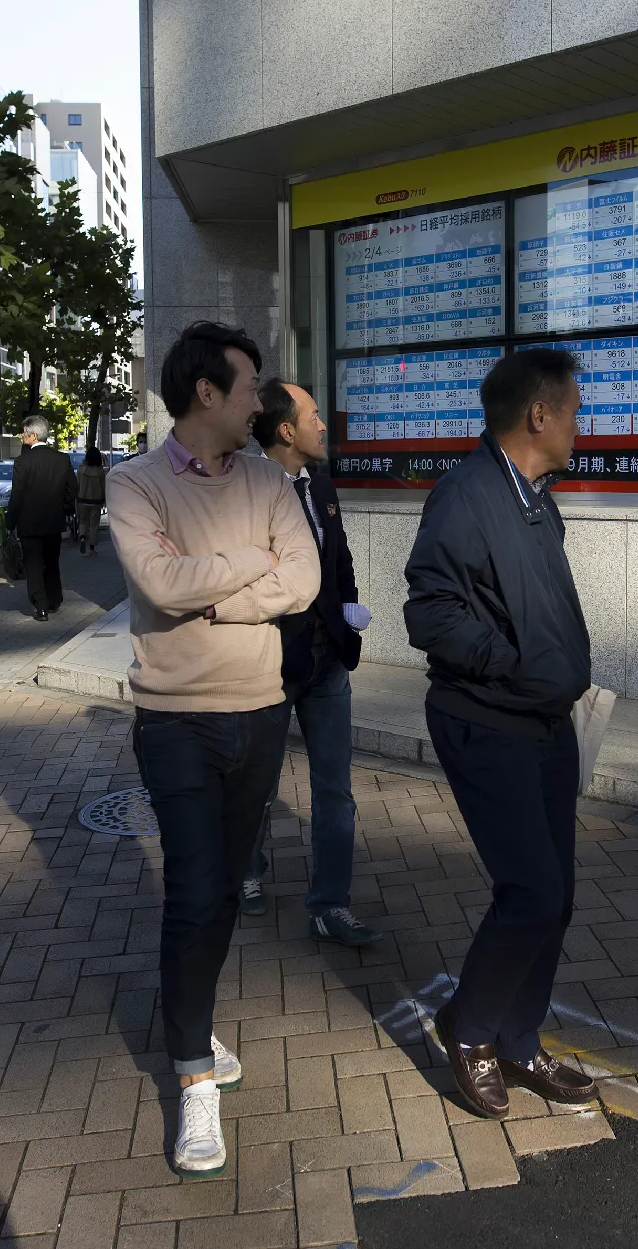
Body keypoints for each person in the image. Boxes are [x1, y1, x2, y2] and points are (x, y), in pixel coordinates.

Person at [108, 322, 319, 1177]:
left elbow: (301, 581)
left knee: (227, 887)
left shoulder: (272, 477)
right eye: (247, 388)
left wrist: (216, 597)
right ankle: (193, 1069)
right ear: (206, 393)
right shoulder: (135, 482)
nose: (259, 403)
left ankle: (187, 1014)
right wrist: (247, 563)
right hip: (176, 720)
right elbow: (157, 585)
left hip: (261, 711)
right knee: (193, 892)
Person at [404, 347, 598, 1120]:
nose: (582, 424)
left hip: (546, 724)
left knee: (558, 895)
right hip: (487, 723)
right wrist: (513, 667)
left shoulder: (536, 495)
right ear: (539, 415)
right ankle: (471, 1030)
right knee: (531, 889)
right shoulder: (465, 495)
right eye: (575, 409)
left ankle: (517, 1037)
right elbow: (431, 611)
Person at [242, 379, 378, 948]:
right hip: (274, 662)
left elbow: (338, 558)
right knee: (259, 784)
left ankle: (330, 904)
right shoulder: (247, 493)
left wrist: (347, 611)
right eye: (314, 415)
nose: (324, 425)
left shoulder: (321, 484)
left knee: (335, 789)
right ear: (286, 429)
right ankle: (245, 872)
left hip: (329, 660)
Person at [6, 414, 75, 620]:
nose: (23, 435)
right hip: (53, 521)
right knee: (52, 561)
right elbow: (72, 489)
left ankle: (41, 606)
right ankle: (54, 599)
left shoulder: (22, 462)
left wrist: (11, 522)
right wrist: (63, 508)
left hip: (29, 522)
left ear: (34, 435)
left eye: (25, 432)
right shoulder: (62, 459)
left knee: (33, 564)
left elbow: (16, 494)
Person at [73, 446, 107, 555]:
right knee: (94, 525)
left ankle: (82, 537)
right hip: (96, 501)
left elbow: (76, 485)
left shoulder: (80, 469)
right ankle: (92, 548)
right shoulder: (100, 472)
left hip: (82, 499)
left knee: (83, 521)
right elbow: (103, 487)